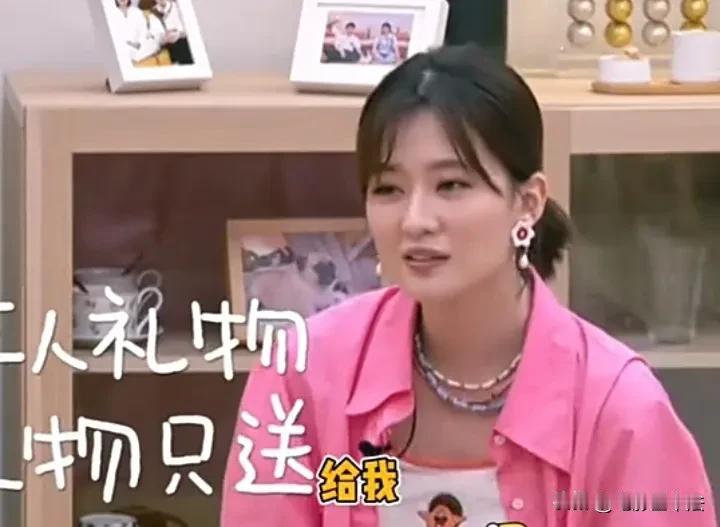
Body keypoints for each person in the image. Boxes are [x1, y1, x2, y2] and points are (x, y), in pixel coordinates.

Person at [219, 44, 717, 526]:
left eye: (451, 185)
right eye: (388, 189)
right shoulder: (302, 369)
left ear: (528, 203)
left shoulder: (619, 406)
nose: (415, 220)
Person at [114, 0, 165, 65]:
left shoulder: (136, 12)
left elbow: (143, 31)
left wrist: (139, 43)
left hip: (138, 46)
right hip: (123, 48)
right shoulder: (112, 14)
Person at [151, 0, 194, 64]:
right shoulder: (153, 12)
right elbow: (154, 36)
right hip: (167, 51)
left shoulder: (179, 7)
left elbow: (192, 28)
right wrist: (161, 40)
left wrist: (179, 34)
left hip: (185, 45)